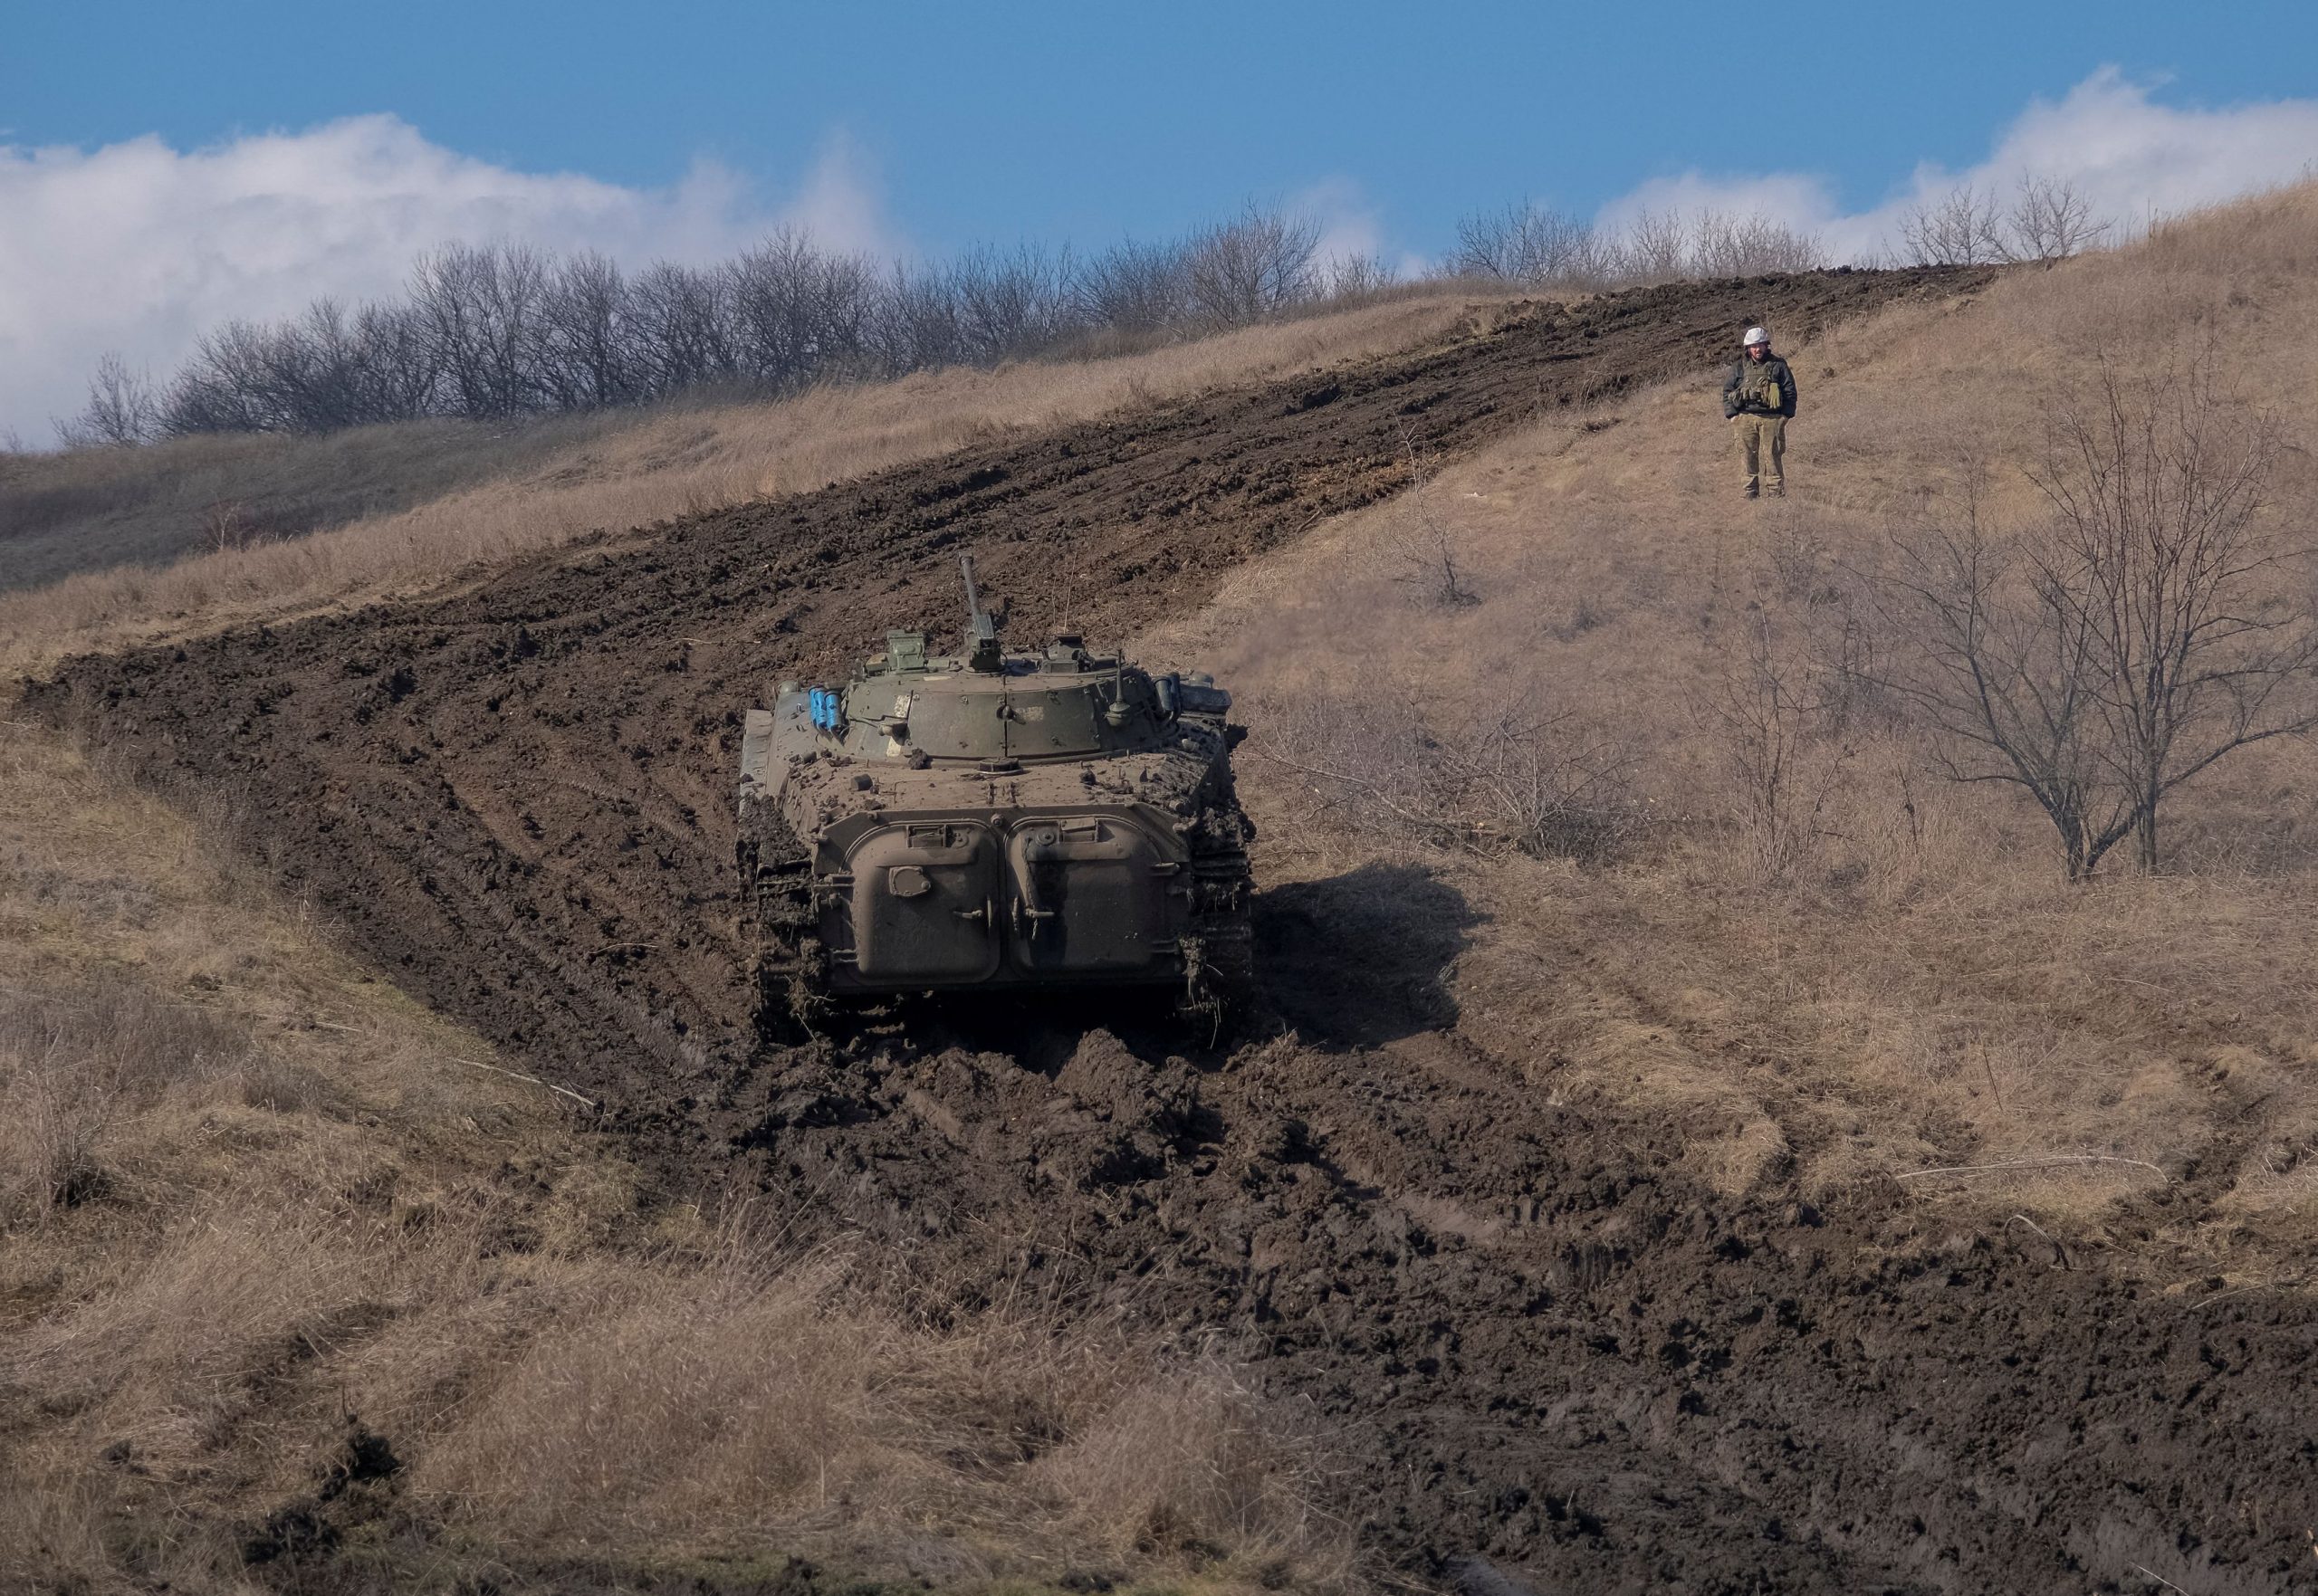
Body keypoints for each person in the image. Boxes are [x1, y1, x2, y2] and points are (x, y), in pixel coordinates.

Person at [1721, 326, 1797, 499]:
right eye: (1754, 346)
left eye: (1761, 345)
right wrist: (1733, 416)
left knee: (1772, 456)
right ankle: (1750, 493)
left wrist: (1785, 416)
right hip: (1745, 419)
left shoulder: (1778, 365)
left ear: (1767, 345)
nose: (1758, 349)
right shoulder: (1739, 367)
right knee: (1747, 456)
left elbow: (1790, 391)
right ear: (1748, 348)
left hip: (1772, 418)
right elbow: (1727, 392)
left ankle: (1775, 494)